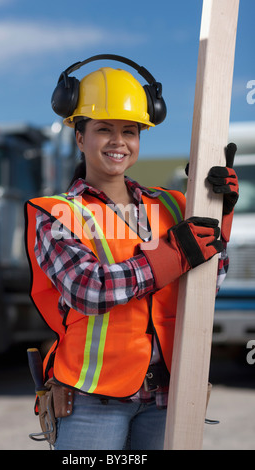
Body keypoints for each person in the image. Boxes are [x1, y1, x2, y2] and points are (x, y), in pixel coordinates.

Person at [25, 55, 239, 450]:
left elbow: (210, 285)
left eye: (130, 131)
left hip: (168, 396)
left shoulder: (174, 206)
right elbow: (90, 290)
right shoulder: (58, 213)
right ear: (79, 136)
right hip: (94, 401)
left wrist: (218, 217)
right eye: (103, 129)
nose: (118, 142)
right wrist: (175, 254)